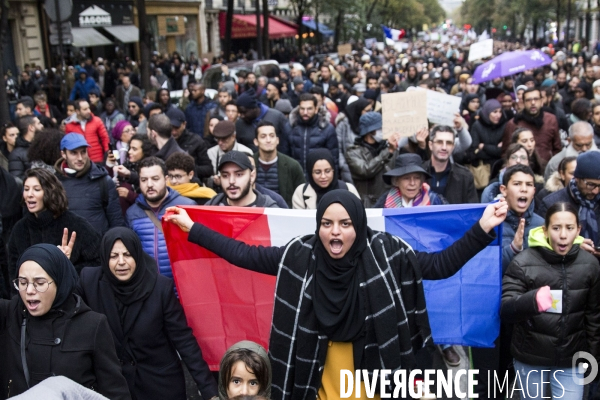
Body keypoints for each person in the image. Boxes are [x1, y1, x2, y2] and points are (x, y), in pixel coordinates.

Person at [165, 191, 508, 399]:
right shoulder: (300, 255)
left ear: (357, 224)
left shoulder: (387, 252)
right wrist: (192, 228)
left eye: (345, 223)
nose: (335, 231)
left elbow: (439, 266)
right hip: (317, 369)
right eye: (327, 223)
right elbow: (244, 254)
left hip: (374, 370)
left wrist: (482, 229)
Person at [77, 228, 218, 400]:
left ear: (137, 254)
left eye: (127, 254)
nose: (121, 262)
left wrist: (209, 390)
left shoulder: (160, 288)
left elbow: (184, 340)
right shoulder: (89, 282)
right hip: (114, 388)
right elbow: (64, 304)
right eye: (114, 256)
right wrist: (61, 266)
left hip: (159, 385)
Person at [0, 244, 131, 399]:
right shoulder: (10, 314)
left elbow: (115, 391)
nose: (29, 290)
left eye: (40, 283)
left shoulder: (92, 325)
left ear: (60, 281)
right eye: (22, 282)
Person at [501, 202, 600, 400]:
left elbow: (594, 316)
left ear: (578, 230)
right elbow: (506, 310)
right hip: (530, 356)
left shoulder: (590, 265)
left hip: (571, 359)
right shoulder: (523, 262)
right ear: (545, 230)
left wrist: (594, 357)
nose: (563, 235)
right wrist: (532, 301)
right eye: (556, 228)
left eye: (569, 228)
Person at [8, 169, 101, 285]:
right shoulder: (19, 229)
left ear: (50, 192)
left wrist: (66, 271)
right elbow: (13, 273)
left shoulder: (75, 224)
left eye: (36, 189)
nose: (29, 194)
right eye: (26, 189)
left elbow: (98, 261)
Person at [125, 157, 196, 279]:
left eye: (155, 179)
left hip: (182, 283)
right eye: (144, 180)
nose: (150, 184)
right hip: (149, 287)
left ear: (166, 179)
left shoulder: (186, 206)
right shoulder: (132, 213)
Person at [54, 133, 125, 235]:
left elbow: (116, 221)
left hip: (98, 247)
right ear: (63, 154)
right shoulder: (54, 183)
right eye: (74, 153)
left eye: (83, 152)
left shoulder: (103, 181)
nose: (80, 158)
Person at [345, 112, 399, 207]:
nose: (383, 130)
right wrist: (388, 152)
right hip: (367, 204)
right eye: (380, 128)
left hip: (389, 201)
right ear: (370, 131)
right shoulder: (353, 152)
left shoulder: (389, 148)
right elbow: (365, 170)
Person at [252, 121, 305, 208]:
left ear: (277, 140)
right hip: (255, 214)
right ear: (256, 141)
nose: (268, 140)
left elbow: (302, 194)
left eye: (272, 136)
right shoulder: (249, 164)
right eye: (263, 136)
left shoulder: (292, 165)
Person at [502, 87, 561, 164]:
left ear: (541, 101)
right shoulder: (513, 124)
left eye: (536, 99)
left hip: (546, 169)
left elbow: (557, 149)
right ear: (523, 102)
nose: (533, 103)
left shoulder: (551, 120)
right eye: (528, 100)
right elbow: (506, 152)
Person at [423, 125, 478, 204]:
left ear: (453, 147)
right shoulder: (419, 174)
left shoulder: (465, 176)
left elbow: (472, 211)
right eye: (439, 142)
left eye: (448, 143)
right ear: (430, 145)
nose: (444, 147)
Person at [288, 93, 339, 175]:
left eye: (309, 109)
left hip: (319, 178)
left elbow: (333, 158)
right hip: (295, 177)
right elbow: (284, 155)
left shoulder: (327, 129)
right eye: (302, 109)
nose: (305, 112)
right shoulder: (290, 127)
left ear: (316, 109)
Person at [206, 150, 279, 207]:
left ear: (252, 176)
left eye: (239, 174)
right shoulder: (210, 207)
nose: (231, 181)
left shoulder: (270, 211)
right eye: (225, 176)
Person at [292, 149, 360, 209]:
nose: (323, 176)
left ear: (333, 170)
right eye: (318, 172)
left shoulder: (349, 189)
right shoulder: (301, 192)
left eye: (327, 171)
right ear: (310, 173)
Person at [375, 153, 446, 208]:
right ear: (396, 181)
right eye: (406, 178)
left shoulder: (434, 200)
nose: (412, 183)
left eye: (417, 178)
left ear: (421, 182)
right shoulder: (384, 203)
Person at [234, 89, 291, 154]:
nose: (241, 116)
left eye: (244, 112)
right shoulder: (240, 124)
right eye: (240, 113)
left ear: (254, 108)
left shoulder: (277, 117)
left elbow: (288, 141)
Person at [166, 107, 213, 180]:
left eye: (177, 128)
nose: (174, 132)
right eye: (171, 128)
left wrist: (188, 169)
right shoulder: (162, 141)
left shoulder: (196, 141)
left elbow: (208, 169)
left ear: (184, 124)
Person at [64, 99, 110, 164]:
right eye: (85, 109)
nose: (89, 111)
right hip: (80, 161)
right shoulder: (69, 125)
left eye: (89, 108)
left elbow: (105, 138)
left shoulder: (97, 121)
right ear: (77, 111)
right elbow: (68, 144)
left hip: (97, 159)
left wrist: (107, 152)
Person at [468, 99, 507, 170]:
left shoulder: (504, 125)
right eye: (495, 112)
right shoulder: (477, 126)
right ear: (487, 112)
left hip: (501, 166)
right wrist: (495, 149)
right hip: (482, 168)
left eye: (500, 112)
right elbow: (474, 152)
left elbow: (503, 151)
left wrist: (484, 147)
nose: (498, 115)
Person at [9, 116, 43, 181]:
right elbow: (17, 180)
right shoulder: (16, 154)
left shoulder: (42, 147)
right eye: (38, 123)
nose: (42, 125)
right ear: (31, 128)